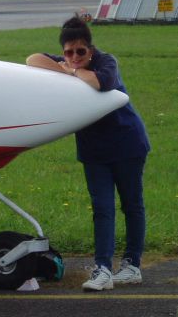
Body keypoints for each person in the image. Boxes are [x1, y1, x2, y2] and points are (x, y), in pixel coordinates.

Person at [26, 15, 150, 291]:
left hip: (127, 143)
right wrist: (65, 66)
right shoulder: (67, 61)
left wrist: (70, 71)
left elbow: (98, 83)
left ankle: (131, 265)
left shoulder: (107, 62)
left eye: (80, 52)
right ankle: (103, 269)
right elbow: (32, 59)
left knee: (131, 205)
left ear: (90, 50)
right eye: (68, 52)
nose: (74, 56)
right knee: (102, 209)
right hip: (94, 151)